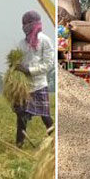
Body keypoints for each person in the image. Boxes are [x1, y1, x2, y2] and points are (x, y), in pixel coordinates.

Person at [13, 10, 55, 148]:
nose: (25, 26)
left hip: (39, 84)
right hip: (24, 87)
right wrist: (15, 68)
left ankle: (55, 142)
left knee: (45, 115)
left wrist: (29, 71)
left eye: (28, 23)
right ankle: (19, 145)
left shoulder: (45, 40)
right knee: (21, 117)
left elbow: (49, 64)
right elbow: (16, 62)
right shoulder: (21, 44)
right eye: (23, 24)